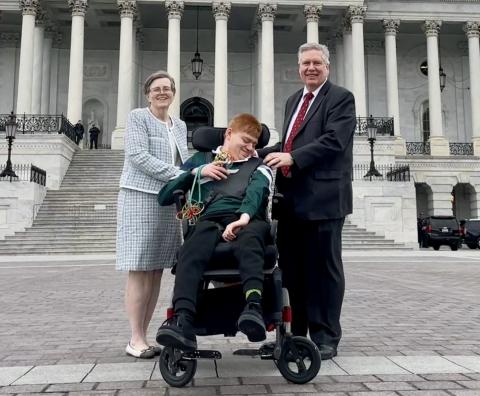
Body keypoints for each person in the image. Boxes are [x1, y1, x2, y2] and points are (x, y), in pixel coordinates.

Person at [260, 43, 356, 360]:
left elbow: (333, 141)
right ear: (299, 67)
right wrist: (253, 153)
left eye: (317, 62)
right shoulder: (293, 100)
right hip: (291, 200)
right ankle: (297, 333)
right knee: (292, 271)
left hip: (325, 199)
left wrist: (292, 156)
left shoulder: (340, 98)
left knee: (325, 270)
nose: (311, 68)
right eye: (305, 63)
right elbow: (288, 143)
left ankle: (326, 336)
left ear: (327, 66)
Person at [155, 113, 273, 351]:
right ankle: (183, 319)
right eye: (246, 140)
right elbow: (165, 195)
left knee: (249, 237)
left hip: (247, 219)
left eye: (254, 144)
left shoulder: (259, 165)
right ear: (229, 134)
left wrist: (243, 218)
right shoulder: (201, 159)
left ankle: (253, 307)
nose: (251, 148)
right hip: (208, 220)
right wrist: (198, 173)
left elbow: (257, 192)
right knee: (192, 247)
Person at [116, 70, 189, 359]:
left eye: (167, 88)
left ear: (173, 93)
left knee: (157, 269)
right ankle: (135, 337)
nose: (162, 93)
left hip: (167, 202)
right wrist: (180, 175)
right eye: (156, 88)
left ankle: (144, 335)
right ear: (148, 93)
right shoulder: (138, 117)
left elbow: (185, 158)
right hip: (139, 197)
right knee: (139, 268)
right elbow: (137, 156)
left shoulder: (179, 124)